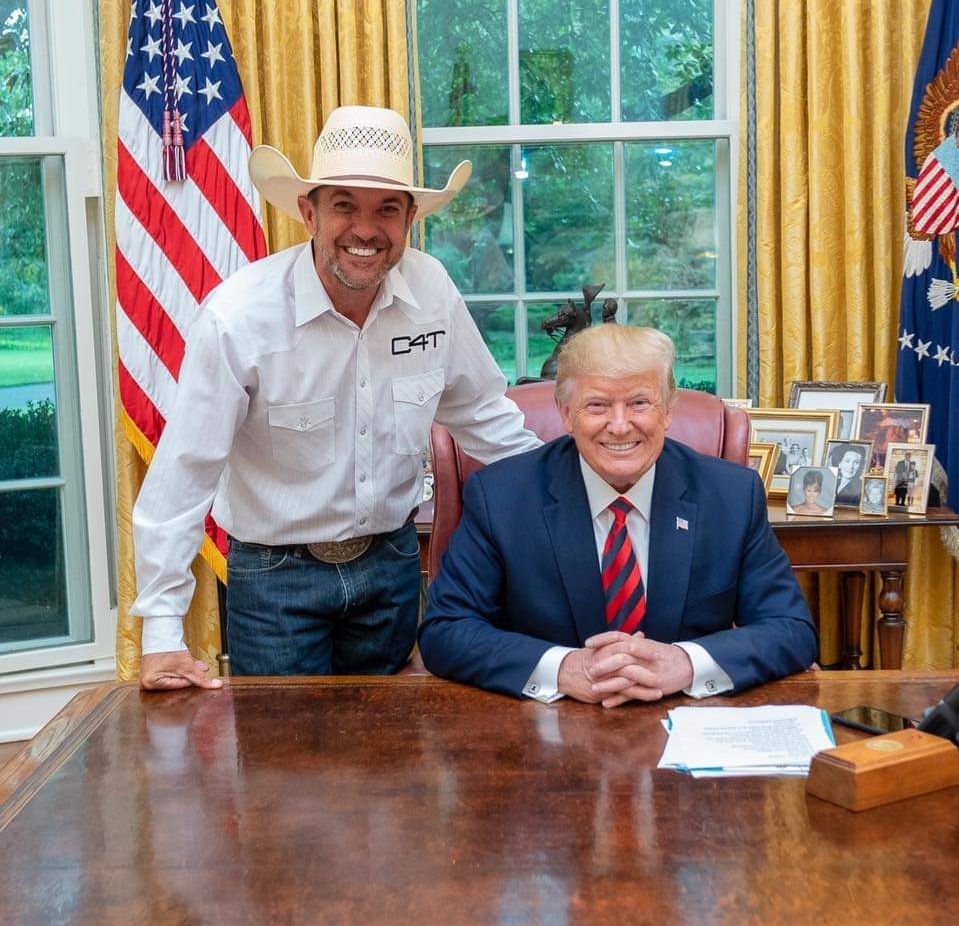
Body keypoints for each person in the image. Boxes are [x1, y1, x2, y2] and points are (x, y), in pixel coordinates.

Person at [132, 106, 541, 691]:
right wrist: (162, 633)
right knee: (283, 771)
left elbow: (485, 417)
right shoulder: (238, 319)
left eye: (387, 209)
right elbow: (185, 474)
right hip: (275, 578)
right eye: (344, 204)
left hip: (393, 567)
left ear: (410, 219)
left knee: (390, 763)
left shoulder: (433, 292)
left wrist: (570, 498)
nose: (366, 230)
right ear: (309, 212)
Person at [419, 325, 818, 706]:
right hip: (542, 729)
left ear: (668, 410)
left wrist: (685, 663)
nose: (620, 425)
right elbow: (447, 630)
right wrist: (563, 669)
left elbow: (791, 630)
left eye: (640, 403)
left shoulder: (730, 495)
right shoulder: (501, 496)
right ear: (566, 413)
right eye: (597, 405)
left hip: (688, 728)